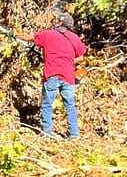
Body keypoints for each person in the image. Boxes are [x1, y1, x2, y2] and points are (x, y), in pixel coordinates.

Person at [15, 11, 87, 139]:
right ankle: (74, 135)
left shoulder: (48, 35)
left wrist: (13, 34)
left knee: (47, 104)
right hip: (69, 77)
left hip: (52, 74)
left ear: (60, 23)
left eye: (57, 20)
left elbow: (27, 38)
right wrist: (69, 61)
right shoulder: (75, 38)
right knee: (70, 106)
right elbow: (81, 57)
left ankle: (46, 134)